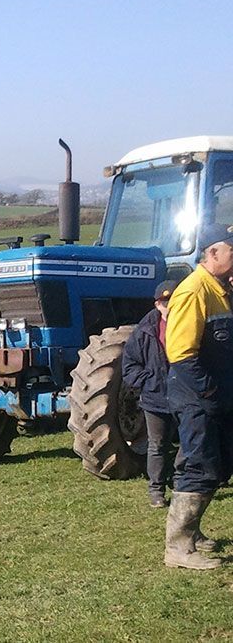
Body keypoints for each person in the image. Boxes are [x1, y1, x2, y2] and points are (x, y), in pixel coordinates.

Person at [163, 222, 233, 570]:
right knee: (201, 464)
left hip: (217, 395)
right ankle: (178, 547)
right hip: (197, 395)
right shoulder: (194, 291)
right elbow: (181, 354)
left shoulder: (220, 289)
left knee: (219, 464)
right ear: (213, 253)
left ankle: (193, 532)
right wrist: (210, 393)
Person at [122, 280, 179, 508]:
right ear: (157, 304)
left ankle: (179, 479)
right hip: (155, 399)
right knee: (157, 445)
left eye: (173, 301)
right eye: (165, 302)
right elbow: (129, 365)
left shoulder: (190, 324)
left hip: (185, 396)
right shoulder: (144, 331)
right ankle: (156, 491)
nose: (169, 306)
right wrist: (149, 383)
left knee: (190, 441)